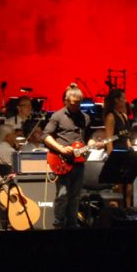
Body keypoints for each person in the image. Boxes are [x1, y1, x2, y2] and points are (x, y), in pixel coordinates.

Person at [43, 83, 91, 229]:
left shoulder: (85, 117)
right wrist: (61, 149)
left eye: (79, 103)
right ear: (66, 101)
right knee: (62, 195)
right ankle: (59, 224)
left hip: (78, 161)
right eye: (73, 103)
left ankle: (72, 224)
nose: (77, 106)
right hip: (62, 161)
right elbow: (45, 136)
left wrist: (93, 142)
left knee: (75, 196)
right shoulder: (58, 116)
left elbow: (87, 138)